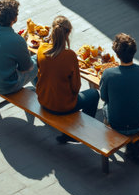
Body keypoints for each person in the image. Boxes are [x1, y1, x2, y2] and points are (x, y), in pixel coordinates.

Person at [36, 15, 100, 143]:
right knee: (93, 94)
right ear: (68, 33)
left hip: (43, 100)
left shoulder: (41, 49)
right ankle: (81, 131)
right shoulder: (70, 55)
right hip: (63, 106)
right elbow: (76, 87)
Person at [100, 33, 139, 162]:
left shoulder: (108, 74)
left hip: (116, 123)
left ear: (117, 55)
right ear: (134, 52)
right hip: (138, 123)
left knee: (105, 107)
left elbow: (104, 97)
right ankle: (136, 144)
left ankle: (112, 142)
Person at [0, 0, 38, 95]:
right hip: (6, 86)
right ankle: (42, 91)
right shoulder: (17, 40)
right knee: (38, 59)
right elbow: (27, 68)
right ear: (15, 18)